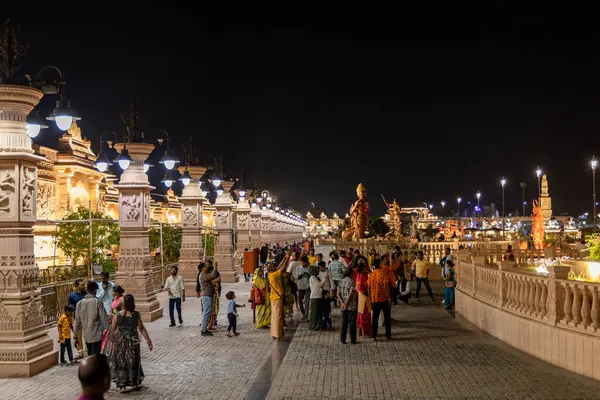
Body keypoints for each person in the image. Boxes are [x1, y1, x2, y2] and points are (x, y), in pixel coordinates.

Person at [110, 294, 153, 392]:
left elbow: (113, 330)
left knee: (121, 361)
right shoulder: (136, 314)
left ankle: (122, 384)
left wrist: (113, 343)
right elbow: (141, 328)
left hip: (120, 342)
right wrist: (148, 341)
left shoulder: (117, 315)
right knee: (133, 360)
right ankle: (133, 380)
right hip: (133, 342)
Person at [75, 281, 109, 356]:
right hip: (96, 335)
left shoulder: (79, 304)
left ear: (87, 290)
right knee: (96, 357)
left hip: (86, 335)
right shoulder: (97, 302)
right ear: (95, 290)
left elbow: (77, 322)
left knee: (90, 356)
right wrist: (110, 331)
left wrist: (75, 336)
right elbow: (104, 318)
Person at [369, 258, 396, 340]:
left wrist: (370, 298)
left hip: (374, 299)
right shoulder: (383, 274)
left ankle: (373, 336)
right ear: (380, 264)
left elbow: (368, 287)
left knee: (375, 319)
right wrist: (388, 297)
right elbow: (386, 286)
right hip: (383, 299)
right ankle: (388, 335)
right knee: (387, 318)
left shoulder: (371, 274)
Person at [268, 253, 290, 340]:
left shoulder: (271, 274)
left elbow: (280, 265)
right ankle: (277, 334)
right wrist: (287, 258)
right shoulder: (273, 275)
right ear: (271, 269)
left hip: (274, 297)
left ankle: (275, 333)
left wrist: (285, 257)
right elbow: (283, 268)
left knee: (275, 316)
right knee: (278, 316)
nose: (275, 266)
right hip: (277, 298)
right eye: (273, 266)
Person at [196, 263, 220, 336]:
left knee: (207, 313)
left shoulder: (204, 274)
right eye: (205, 266)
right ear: (202, 268)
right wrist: (215, 268)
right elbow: (212, 276)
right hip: (206, 296)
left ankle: (205, 329)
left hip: (208, 296)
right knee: (206, 313)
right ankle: (203, 330)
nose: (207, 267)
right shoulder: (203, 275)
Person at [101, 285, 124, 352]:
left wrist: (114, 315)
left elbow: (123, 312)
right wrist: (110, 315)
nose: (112, 293)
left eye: (113, 292)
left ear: (117, 292)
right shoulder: (114, 298)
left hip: (118, 321)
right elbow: (111, 308)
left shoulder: (122, 299)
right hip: (111, 320)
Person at [337, 268, 358, 344]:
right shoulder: (352, 282)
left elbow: (338, 294)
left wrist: (342, 302)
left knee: (343, 323)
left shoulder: (340, 281)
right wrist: (346, 303)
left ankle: (342, 339)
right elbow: (351, 294)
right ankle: (353, 340)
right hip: (351, 306)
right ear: (351, 274)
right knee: (352, 323)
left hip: (343, 306)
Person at [68, 279, 87, 359]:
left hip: (86, 316)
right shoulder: (72, 295)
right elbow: (70, 306)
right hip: (77, 317)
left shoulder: (86, 293)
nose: (83, 286)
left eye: (84, 285)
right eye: (81, 285)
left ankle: (87, 352)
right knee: (78, 335)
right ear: (76, 286)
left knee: (87, 334)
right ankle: (80, 352)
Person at [355, 259, 372, 337]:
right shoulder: (361, 276)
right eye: (365, 267)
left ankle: (361, 332)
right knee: (364, 316)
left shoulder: (363, 275)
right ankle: (364, 333)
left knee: (362, 315)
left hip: (363, 298)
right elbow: (359, 288)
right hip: (364, 299)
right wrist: (367, 293)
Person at [293, 256, 311, 321]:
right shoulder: (298, 268)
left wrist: (308, 275)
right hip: (300, 286)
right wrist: (302, 274)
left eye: (304, 262)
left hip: (308, 286)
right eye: (302, 262)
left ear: (306, 261)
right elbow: (297, 277)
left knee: (307, 301)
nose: (303, 263)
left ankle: (306, 315)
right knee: (300, 301)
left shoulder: (310, 268)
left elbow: (312, 277)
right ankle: (303, 313)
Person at [308, 266, 326, 331]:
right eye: (317, 270)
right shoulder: (312, 277)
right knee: (314, 312)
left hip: (318, 296)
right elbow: (318, 285)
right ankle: (313, 325)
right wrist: (324, 279)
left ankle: (317, 325)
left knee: (317, 312)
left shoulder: (315, 277)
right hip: (315, 296)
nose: (318, 271)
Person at [318, 260, 334, 330]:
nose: (319, 268)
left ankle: (328, 322)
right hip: (320, 292)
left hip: (327, 292)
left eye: (320, 267)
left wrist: (333, 292)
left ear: (324, 266)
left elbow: (332, 283)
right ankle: (322, 323)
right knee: (321, 308)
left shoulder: (328, 273)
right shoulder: (317, 273)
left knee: (327, 307)